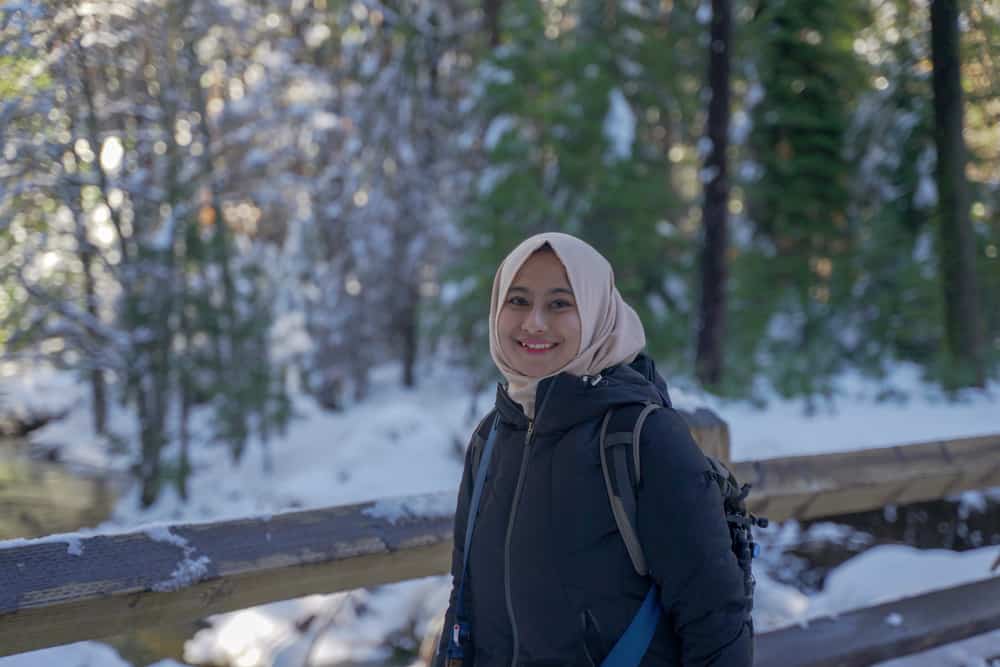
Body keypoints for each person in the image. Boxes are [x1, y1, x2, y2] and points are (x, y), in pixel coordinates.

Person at [434, 232, 753, 667]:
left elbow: (715, 620)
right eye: (519, 301)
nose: (534, 323)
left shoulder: (644, 438)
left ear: (598, 311)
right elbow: (465, 595)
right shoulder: (490, 438)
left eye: (561, 304)